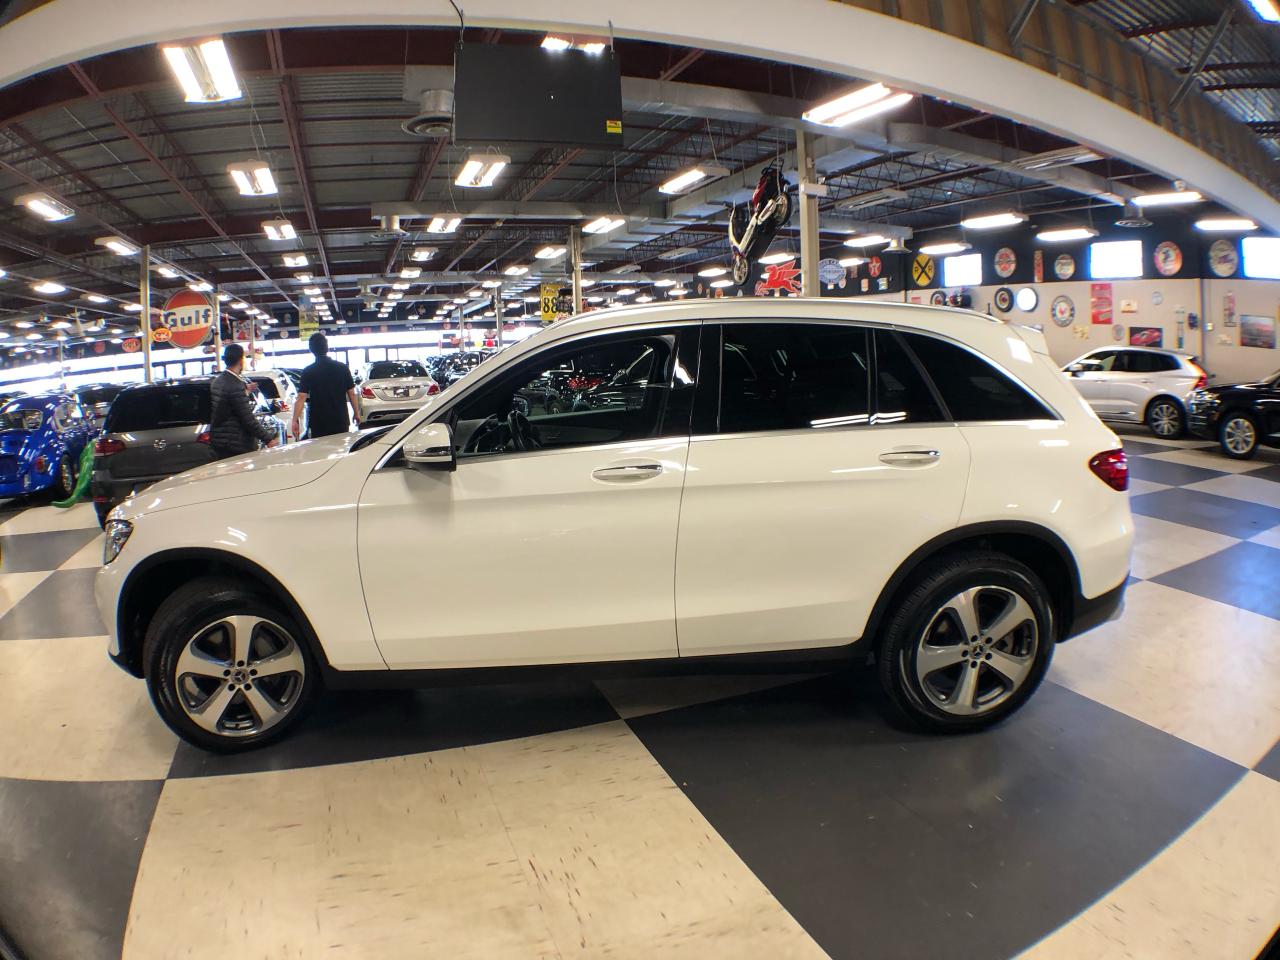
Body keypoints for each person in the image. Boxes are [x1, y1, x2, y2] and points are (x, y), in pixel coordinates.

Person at [209, 343, 278, 460]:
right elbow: (247, 418)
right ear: (241, 360)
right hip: (235, 444)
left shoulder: (217, 381)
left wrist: (245, 392)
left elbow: (228, 404)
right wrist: (268, 439)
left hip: (219, 440)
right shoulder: (235, 385)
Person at [292, 332, 359, 439]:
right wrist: (356, 413)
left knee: (321, 453)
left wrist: (294, 420)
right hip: (340, 420)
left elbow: (301, 397)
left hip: (319, 422)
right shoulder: (343, 368)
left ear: (311, 349)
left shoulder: (308, 371)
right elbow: (352, 394)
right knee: (341, 452)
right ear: (327, 347)